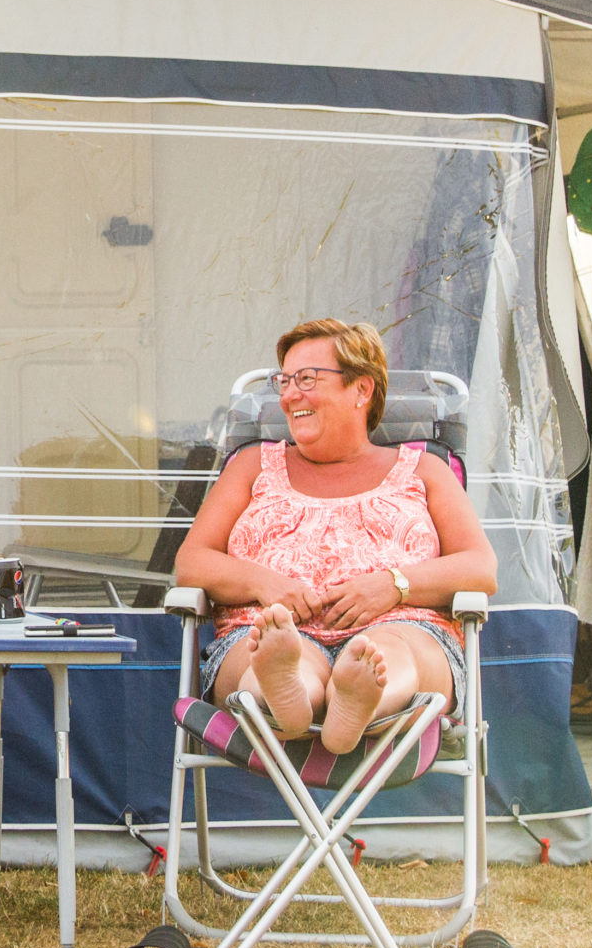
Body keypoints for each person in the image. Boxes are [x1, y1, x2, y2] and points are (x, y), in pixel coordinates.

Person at [174, 317, 496, 754]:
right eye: (283, 381)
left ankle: (362, 700)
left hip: (400, 626)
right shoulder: (252, 466)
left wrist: (394, 586)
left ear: (362, 389)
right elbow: (191, 561)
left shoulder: (423, 470)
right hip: (267, 628)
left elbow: (480, 567)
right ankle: (287, 692)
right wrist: (262, 583)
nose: (289, 395)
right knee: (277, 648)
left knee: (386, 650)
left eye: (306, 379)